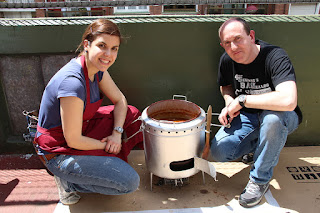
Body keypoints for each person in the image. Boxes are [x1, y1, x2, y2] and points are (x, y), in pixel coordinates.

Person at [33, 19, 143, 205]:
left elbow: (120, 101)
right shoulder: (73, 83)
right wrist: (107, 146)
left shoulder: (97, 68)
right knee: (129, 182)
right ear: (87, 44)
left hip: (80, 130)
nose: (109, 54)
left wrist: (116, 134)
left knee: (132, 115)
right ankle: (68, 183)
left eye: (114, 48)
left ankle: (102, 159)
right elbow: (73, 140)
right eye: (102, 46)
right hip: (58, 152)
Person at [211, 17, 302, 208]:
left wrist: (242, 100)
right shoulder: (227, 59)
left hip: (282, 116)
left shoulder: (275, 56)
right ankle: (262, 147)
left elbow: (289, 100)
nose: (234, 47)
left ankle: (259, 180)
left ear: (251, 36)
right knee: (220, 151)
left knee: (272, 120)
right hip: (248, 117)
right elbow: (225, 86)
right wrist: (229, 103)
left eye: (238, 39)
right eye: (227, 43)